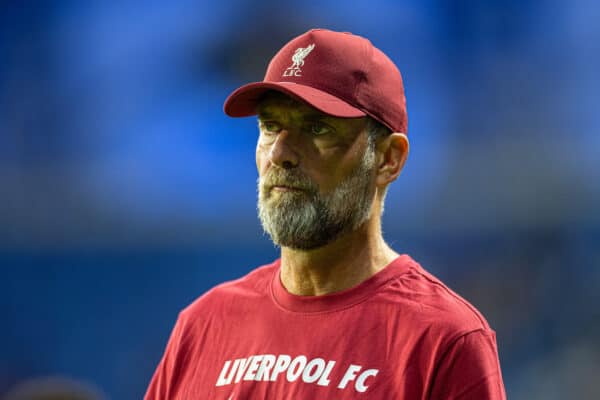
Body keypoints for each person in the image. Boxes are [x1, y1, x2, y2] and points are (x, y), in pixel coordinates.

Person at [145, 28, 506, 399]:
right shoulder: (204, 324)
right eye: (271, 126)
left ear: (388, 159)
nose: (280, 153)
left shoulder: (441, 339)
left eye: (318, 128)